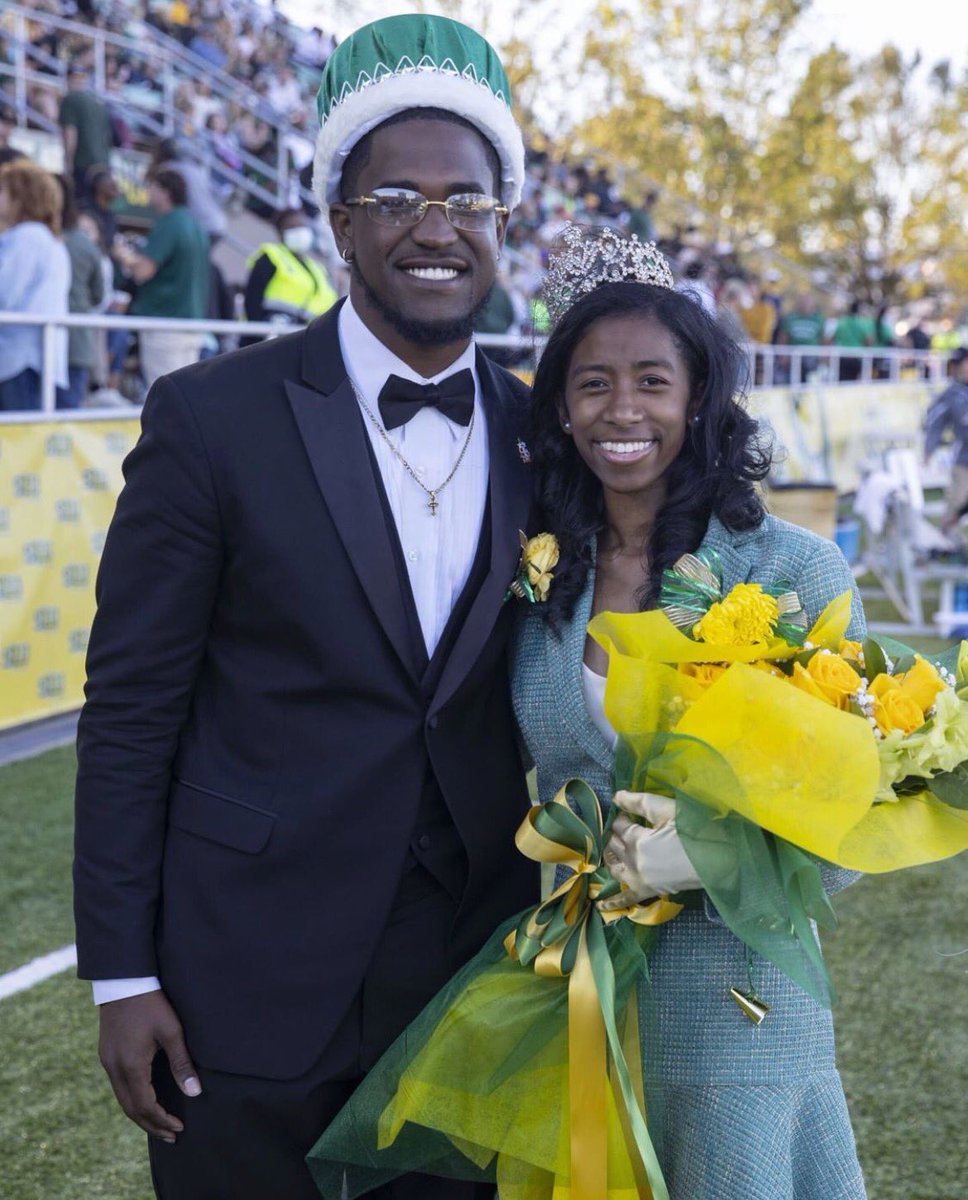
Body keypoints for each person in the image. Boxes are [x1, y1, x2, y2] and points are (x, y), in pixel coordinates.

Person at [73, 15, 536, 1200]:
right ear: (339, 222)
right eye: (395, 194)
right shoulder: (208, 418)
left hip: (476, 984)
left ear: (501, 224)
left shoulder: (551, 433)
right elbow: (130, 711)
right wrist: (121, 978)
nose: (434, 226)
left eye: (466, 200)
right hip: (244, 979)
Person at [512, 225, 867, 1198]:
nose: (620, 409)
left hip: (736, 1003)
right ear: (558, 405)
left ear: (698, 395)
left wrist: (702, 848)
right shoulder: (534, 575)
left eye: (650, 380)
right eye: (590, 382)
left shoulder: (791, 570)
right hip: (570, 995)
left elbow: (853, 800)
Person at [114, 168, 209, 388]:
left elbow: (143, 271)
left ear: (165, 192)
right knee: (186, 395)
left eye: (152, 187)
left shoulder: (170, 224)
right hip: (192, 323)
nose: (147, 191)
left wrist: (124, 256)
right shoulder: (197, 227)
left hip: (165, 325)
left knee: (164, 398)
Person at [0, 159, 70, 410]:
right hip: (40, 358)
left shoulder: (26, 237)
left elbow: (4, 293)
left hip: (20, 359)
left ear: (21, 197)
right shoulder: (49, 239)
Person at [242, 207, 337, 343]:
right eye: (292, 227)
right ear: (281, 234)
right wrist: (260, 335)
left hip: (308, 338)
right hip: (272, 337)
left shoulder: (317, 268)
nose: (300, 231)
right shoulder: (271, 257)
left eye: (302, 226)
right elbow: (251, 301)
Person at [55, 175, 105, 408]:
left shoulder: (47, 240)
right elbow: (99, 295)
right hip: (77, 342)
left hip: (50, 345)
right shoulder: (84, 244)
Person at [924, 347, 968, 541]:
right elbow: (935, 421)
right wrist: (929, 449)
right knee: (957, 501)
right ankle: (948, 542)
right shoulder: (952, 394)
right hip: (964, 460)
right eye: (959, 364)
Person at [58, 63, 114, 204]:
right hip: (103, 165)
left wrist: (67, 162)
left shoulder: (70, 99)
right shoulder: (99, 103)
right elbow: (108, 137)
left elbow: (70, 133)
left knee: (81, 207)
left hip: (83, 165)